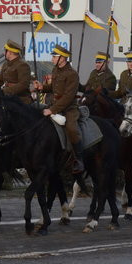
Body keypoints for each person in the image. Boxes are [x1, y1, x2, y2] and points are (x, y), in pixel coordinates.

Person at [32, 44, 84, 174]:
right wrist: (42, 87)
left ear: (63, 58)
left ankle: (79, 159)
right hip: (54, 105)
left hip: (69, 108)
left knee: (72, 128)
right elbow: (54, 88)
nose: (52, 59)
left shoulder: (72, 74)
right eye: (53, 56)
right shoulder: (55, 70)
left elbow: (68, 97)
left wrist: (52, 110)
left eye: (54, 56)